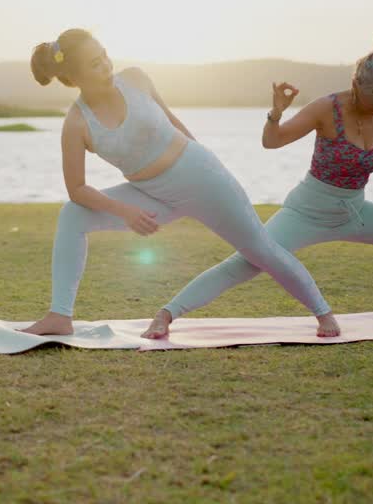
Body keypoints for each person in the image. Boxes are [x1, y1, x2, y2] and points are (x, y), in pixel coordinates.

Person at [17, 29, 341, 338]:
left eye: (103, 54)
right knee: (73, 214)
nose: (105, 64)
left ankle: (323, 313)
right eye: (94, 63)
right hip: (152, 194)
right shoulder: (76, 123)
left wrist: (207, 166)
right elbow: (78, 190)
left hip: (201, 178)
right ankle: (60, 315)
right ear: (73, 78)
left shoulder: (135, 78)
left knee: (260, 250)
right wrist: (126, 211)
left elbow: (173, 120)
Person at [141, 30, 373, 339]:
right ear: (357, 84)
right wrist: (276, 112)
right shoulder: (326, 108)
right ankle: (167, 313)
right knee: (246, 262)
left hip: (355, 211)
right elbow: (272, 142)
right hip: (307, 212)